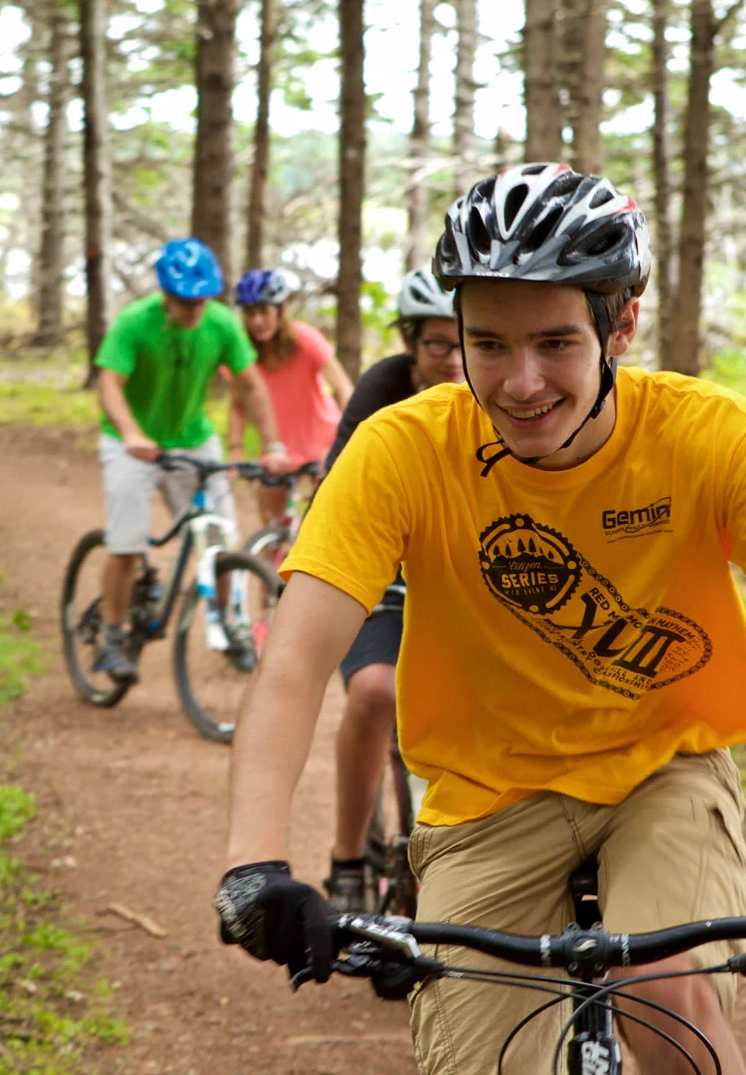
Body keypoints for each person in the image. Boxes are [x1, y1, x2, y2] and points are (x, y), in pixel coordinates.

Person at [213, 164, 746, 1075]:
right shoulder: (402, 449)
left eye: (555, 343)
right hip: (484, 799)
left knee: (669, 992)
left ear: (620, 328)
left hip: (662, 769)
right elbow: (296, 659)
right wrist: (255, 863)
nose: (519, 382)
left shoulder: (708, 436)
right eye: (487, 344)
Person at [320, 268, 466, 914]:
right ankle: (348, 858)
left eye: (468, 341)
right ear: (411, 343)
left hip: (467, 583)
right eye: (437, 344)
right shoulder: (381, 392)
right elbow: (338, 494)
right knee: (376, 690)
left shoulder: (504, 395)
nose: (454, 359)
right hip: (385, 574)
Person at [92, 238, 293, 685]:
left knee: (219, 538)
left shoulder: (221, 324)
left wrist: (273, 445)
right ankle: (111, 637)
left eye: (202, 301)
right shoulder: (134, 322)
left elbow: (251, 385)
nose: (194, 310)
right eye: (185, 302)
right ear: (165, 295)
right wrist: (132, 434)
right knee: (126, 543)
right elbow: (109, 385)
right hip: (131, 442)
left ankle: (231, 626)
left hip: (194, 440)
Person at [225, 268, 352, 529]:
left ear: (281, 310)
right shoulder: (242, 352)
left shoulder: (306, 339)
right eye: (250, 313)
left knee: (328, 525)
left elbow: (343, 389)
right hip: (277, 451)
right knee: (271, 529)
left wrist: (342, 442)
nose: (257, 321)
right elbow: (238, 404)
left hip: (323, 445)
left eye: (264, 312)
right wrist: (235, 449)